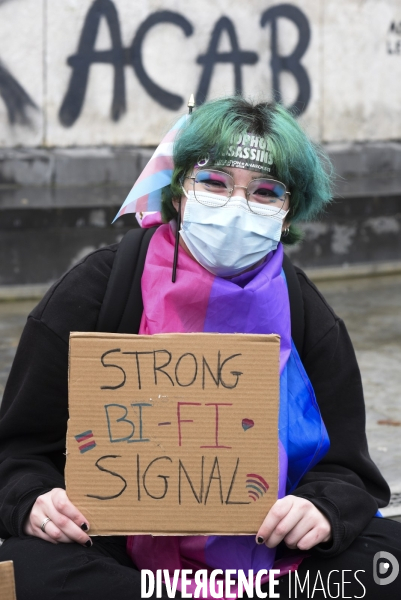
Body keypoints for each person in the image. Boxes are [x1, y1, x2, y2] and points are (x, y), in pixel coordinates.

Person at [0, 96, 400, 600]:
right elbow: (16, 450)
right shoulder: (99, 289)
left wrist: (321, 509)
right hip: (118, 558)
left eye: (265, 192)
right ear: (181, 191)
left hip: (274, 560)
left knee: (386, 561)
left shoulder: (306, 313)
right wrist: (34, 500)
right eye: (213, 183)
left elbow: (350, 470)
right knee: (25, 569)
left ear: (287, 213)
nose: (237, 205)